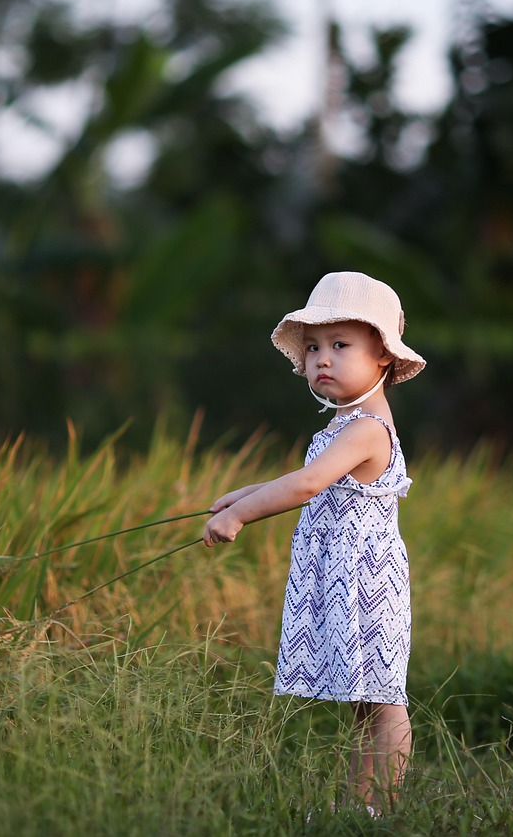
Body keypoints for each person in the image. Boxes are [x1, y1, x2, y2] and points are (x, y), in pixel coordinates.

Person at [202, 271, 425, 817]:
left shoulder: (367, 429)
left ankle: (381, 808)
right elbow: (311, 482)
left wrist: (241, 516)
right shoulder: (344, 426)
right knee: (363, 701)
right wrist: (244, 495)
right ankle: (359, 804)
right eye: (313, 347)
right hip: (345, 578)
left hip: (366, 583)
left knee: (383, 701)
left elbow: (306, 485)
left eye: (340, 345)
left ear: (383, 356)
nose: (322, 358)